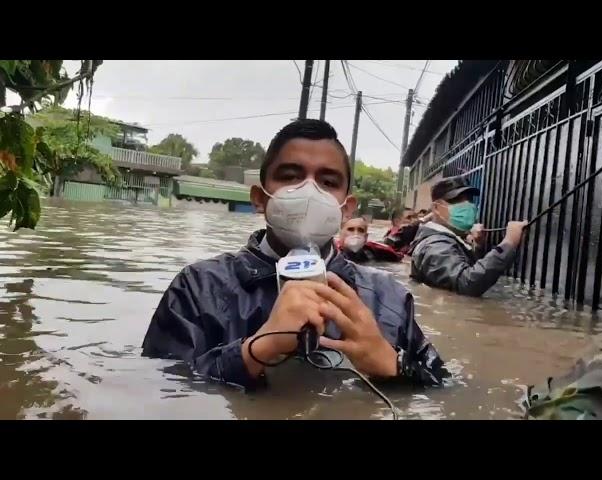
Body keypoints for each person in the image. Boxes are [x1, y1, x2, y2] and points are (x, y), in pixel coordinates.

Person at [142, 119, 447, 390]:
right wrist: (255, 351)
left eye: (328, 182)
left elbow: (443, 387)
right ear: (260, 199)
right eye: (290, 176)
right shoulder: (199, 287)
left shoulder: (388, 297)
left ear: (347, 208)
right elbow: (158, 386)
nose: (309, 190)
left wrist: (392, 365)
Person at [410, 175, 528, 297]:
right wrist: (508, 244)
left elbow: (456, 276)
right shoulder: (435, 246)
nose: (467, 205)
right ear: (436, 208)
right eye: (457, 200)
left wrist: (477, 247)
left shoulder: (445, 241)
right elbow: (466, 283)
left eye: (470, 200)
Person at [336, 217, 403, 263]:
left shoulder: (376, 251)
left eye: (361, 230)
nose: (355, 234)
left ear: (366, 237)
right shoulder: (332, 252)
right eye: (350, 229)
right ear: (341, 234)